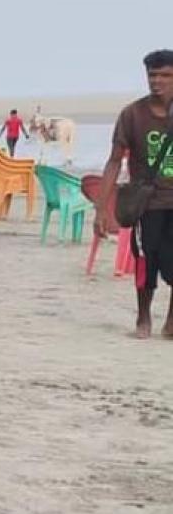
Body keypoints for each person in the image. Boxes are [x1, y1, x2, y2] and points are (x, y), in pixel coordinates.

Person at [96, 49, 173, 340]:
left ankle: (171, 322)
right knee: (145, 262)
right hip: (147, 203)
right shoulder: (133, 114)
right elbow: (115, 160)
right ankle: (143, 319)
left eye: (165, 75)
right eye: (152, 75)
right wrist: (102, 209)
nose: (157, 81)